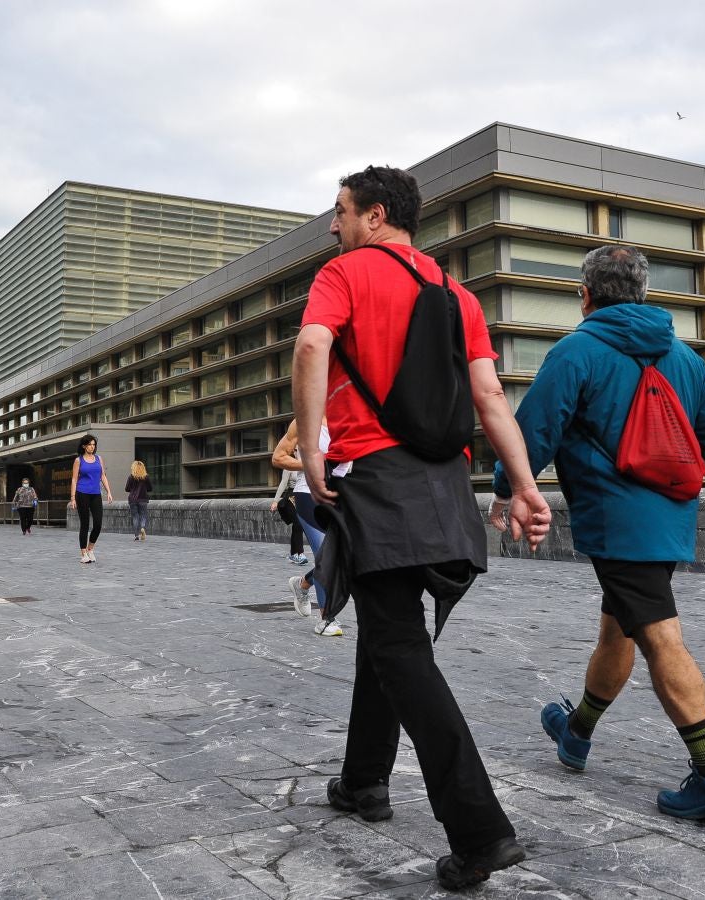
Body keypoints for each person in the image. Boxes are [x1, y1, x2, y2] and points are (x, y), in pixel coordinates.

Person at [293, 165, 551, 891]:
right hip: (443, 487)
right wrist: (527, 487)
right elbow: (489, 394)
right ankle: (363, 780)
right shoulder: (455, 293)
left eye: (340, 211)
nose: (333, 225)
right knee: (387, 626)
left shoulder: (344, 275)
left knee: (399, 644)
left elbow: (313, 347)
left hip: (375, 479)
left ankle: (479, 831)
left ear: (375, 216)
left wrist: (311, 449)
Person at [492, 244, 705, 821]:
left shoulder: (577, 351)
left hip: (616, 521)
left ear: (586, 295)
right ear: (644, 293)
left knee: (659, 639)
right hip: (670, 518)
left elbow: (535, 432)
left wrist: (508, 486)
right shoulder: (683, 356)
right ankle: (576, 732)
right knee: (618, 631)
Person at [272, 419, 344, 637]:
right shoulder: (304, 420)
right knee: (325, 553)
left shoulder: (353, 415)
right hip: (309, 494)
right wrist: (312, 463)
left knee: (343, 557)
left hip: (344, 494)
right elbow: (278, 457)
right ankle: (327, 618)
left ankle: (303, 584)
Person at [67, 434, 112, 564]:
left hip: (96, 494)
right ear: (84, 446)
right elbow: (74, 479)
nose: (92, 447)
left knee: (98, 524)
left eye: (94, 445)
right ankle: (83, 554)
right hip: (82, 493)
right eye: (89, 445)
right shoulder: (78, 460)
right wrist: (73, 498)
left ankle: (90, 548)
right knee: (85, 524)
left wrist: (109, 491)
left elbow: (102, 476)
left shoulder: (99, 459)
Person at [270, 466, 307, 564]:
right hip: (292, 496)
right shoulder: (289, 466)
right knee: (298, 523)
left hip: (303, 495)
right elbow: (283, 483)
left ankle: (293, 554)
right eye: (295, 449)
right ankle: (300, 554)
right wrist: (275, 501)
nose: (296, 451)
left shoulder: (308, 463)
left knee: (297, 525)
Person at [125, 461, 151, 541]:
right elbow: (150, 488)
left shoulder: (131, 477)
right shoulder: (146, 477)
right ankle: (142, 528)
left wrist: (132, 489)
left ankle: (136, 535)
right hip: (143, 499)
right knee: (143, 515)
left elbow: (127, 489)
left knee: (135, 517)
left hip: (132, 500)